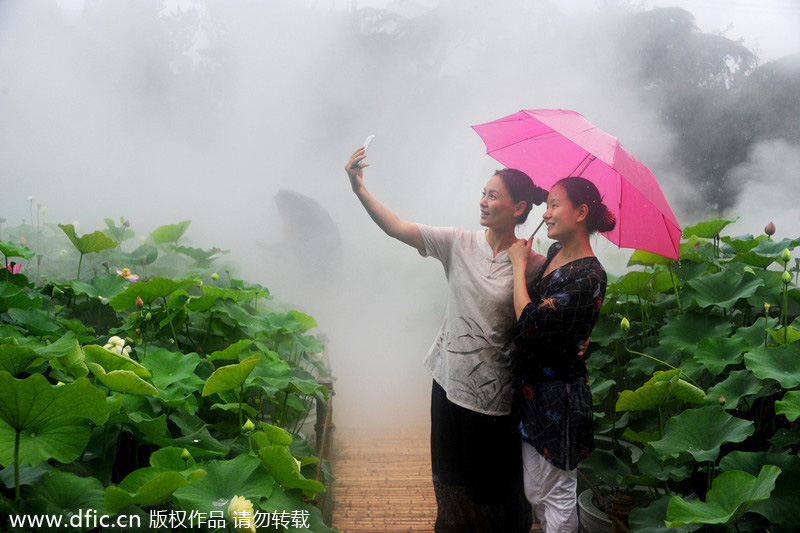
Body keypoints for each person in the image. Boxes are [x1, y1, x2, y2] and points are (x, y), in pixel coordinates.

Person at [344, 145, 547, 532]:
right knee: (450, 479)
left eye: (493, 195)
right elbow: (396, 226)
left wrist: (522, 266)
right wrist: (359, 188)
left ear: (519, 208)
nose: (483, 201)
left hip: (496, 397)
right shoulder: (459, 242)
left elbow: (538, 323)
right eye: (483, 193)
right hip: (450, 383)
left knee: (491, 488)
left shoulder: (534, 265)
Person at [507, 176, 616, 532]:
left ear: (581, 212)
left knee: (557, 493)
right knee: (535, 490)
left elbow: (530, 324)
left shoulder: (590, 276)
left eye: (555, 205)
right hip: (531, 390)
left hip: (560, 397)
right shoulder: (555, 253)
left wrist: (518, 266)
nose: (546, 213)